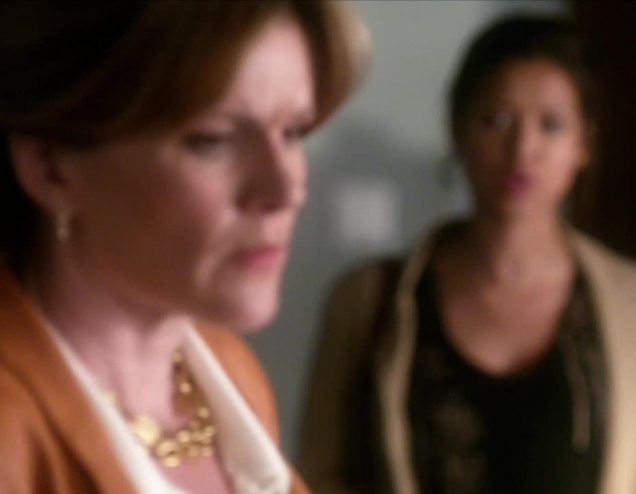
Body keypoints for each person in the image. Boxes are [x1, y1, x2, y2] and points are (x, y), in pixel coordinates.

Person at [298, 14, 636, 494]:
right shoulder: (367, 299)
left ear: (583, 144)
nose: (523, 149)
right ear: (459, 130)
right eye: (496, 119)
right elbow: (318, 474)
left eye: (551, 125)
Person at [0, 1, 365, 493]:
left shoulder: (229, 371)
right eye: (213, 140)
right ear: (50, 169)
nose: (285, 190)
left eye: (292, 132)